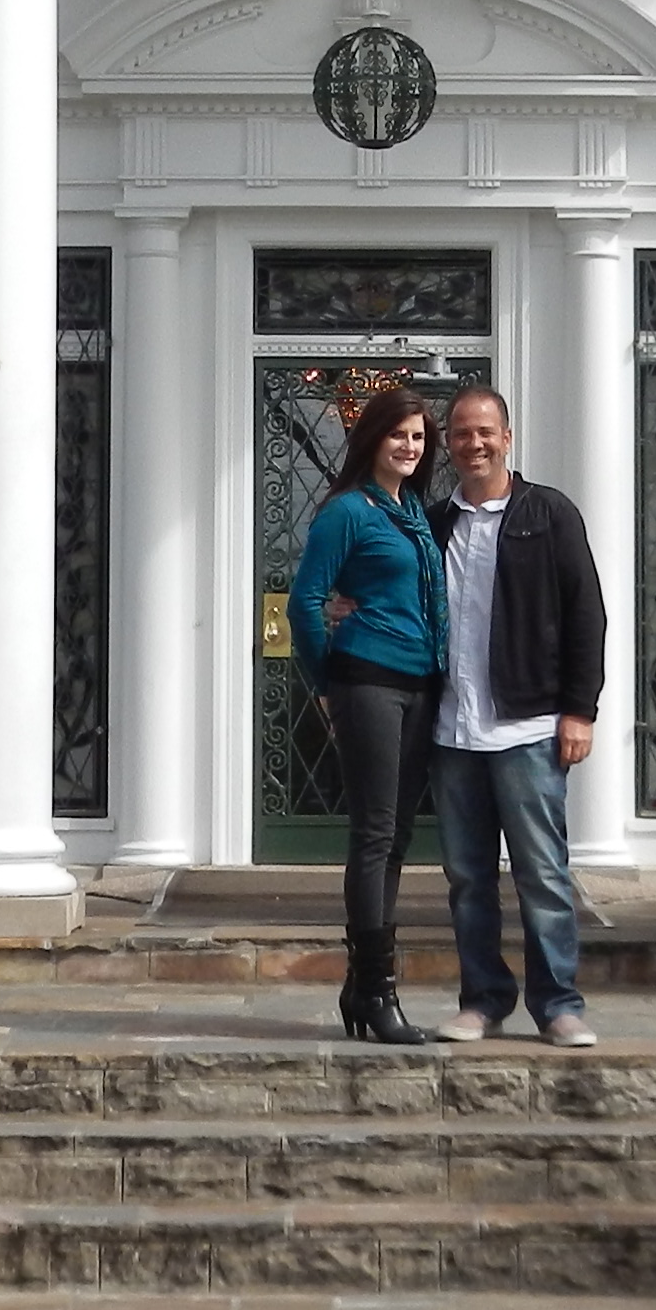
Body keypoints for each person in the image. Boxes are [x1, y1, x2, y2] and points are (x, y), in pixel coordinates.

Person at [425, 382, 609, 1046]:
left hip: (529, 727)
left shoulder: (548, 513)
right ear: (449, 445)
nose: (474, 443)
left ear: (507, 437)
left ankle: (559, 1004)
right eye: (461, 433)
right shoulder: (433, 522)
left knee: (542, 874)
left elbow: (586, 612)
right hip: (452, 731)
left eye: (485, 432)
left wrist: (579, 710)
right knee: (468, 879)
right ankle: (482, 1000)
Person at [287, 384, 447, 1048]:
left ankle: (363, 989)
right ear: (372, 439)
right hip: (368, 682)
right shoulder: (347, 513)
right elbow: (304, 602)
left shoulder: (414, 513)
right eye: (397, 435)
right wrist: (327, 683)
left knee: (398, 836)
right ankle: (377, 989)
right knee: (375, 834)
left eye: (417, 437)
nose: (409, 446)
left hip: (420, 684)